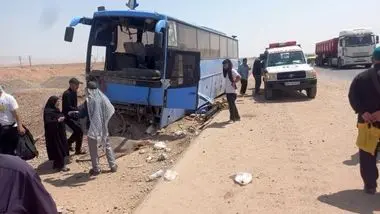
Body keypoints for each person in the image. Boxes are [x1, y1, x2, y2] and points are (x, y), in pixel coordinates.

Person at [348, 46, 380, 195]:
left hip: (367, 123)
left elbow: (352, 97)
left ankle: (370, 185)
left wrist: (363, 112)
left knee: (367, 154)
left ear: (373, 59)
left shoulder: (361, 77)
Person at [69, 81, 117, 176]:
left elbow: (82, 114)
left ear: (89, 90)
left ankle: (96, 169)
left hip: (93, 128)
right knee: (107, 146)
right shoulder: (103, 98)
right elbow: (109, 109)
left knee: (93, 149)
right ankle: (113, 166)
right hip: (103, 127)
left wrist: (73, 114)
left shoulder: (90, 101)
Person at [43, 96, 70, 172]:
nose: (58, 103)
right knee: (58, 149)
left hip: (59, 132)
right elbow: (48, 121)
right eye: (57, 102)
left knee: (60, 148)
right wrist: (57, 120)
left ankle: (56, 165)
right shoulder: (48, 111)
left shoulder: (56, 110)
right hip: (53, 133)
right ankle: (62, 166)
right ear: (53, 102)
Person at [62, 77, 85, 155]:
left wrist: (77, 110)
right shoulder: (66, 94)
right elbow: (68, 107)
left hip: (74, 115)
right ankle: (70, 144)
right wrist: (78, 109)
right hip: (68, 116)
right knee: (79, 131)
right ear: (71, 85)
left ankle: (73, 147)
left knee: (80, 132)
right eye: (77, 85)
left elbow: (74, 105)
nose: (78, 86)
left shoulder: (74, 92)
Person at [0, 85, 25, 155]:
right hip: (1, 128)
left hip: (9, 128)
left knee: (10, 150)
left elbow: (16, 113)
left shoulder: (9, 98)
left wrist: (20, 126)